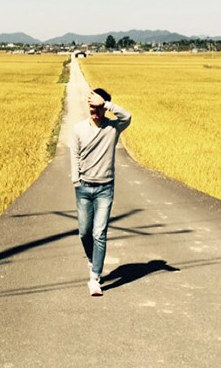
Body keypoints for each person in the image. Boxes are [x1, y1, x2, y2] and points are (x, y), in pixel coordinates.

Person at [70, 88, 132, 296]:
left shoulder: (114, 128)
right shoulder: (79, 129)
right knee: (84, 232)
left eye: (98, 108)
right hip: (84, 187)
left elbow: (128, 116)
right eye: (92, 107)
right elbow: (75, 155)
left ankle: (95, 278)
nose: (94, 111)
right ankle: (91, 259)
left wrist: (106, 103)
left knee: (99, 233)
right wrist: (76, 181)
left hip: (105, 187)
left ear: (104, 108)